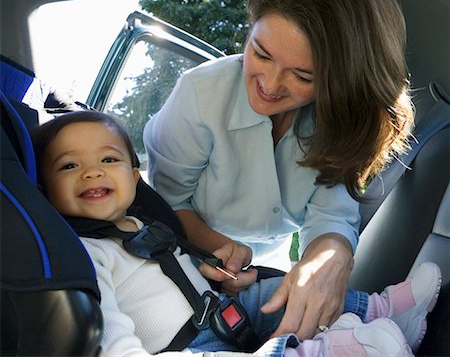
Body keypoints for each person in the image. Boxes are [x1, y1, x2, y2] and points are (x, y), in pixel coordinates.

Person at [31, 111, 440, 357]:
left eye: (108, 159)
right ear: (45, 189)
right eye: (69, 166)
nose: (92, 171)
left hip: (224, 309)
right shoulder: (85, 252)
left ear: (135, 177)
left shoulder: (144, 225)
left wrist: (214, 271)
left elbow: (176, 269)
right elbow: (110, 329)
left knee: (280, 290)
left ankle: (384, 312)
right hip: (186, 347)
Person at [143, 0, 415, 341]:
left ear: (338, 82)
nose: (269, 86)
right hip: (184, 262)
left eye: (302, 76)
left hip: (270, 272)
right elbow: (165, 205)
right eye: (261, 53)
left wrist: (327, 261)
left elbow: (331, 218)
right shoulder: (200, 95)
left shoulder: (339, 123)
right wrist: (217, 247)